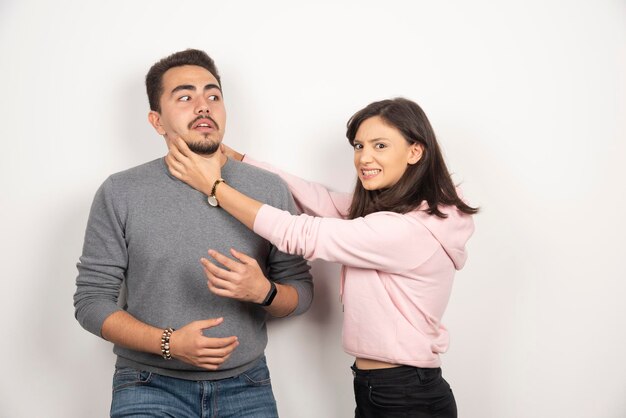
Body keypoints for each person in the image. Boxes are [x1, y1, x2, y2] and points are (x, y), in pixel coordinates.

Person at [165, 97, 478, 418]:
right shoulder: (402, 213)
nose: (364, 158)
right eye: (359, 146)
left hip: (405, 394)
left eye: (380, 146)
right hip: (385, 386)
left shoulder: (405, 231)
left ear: (415, 151)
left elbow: (299, 233)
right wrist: (240, 160)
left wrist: (214, 187)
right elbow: (321, 200)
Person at [73, 49, 313, 417]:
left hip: (247, 385)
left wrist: (263, 291)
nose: (204, 106)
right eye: (185, 97)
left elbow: (302, 293)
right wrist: (168, 343)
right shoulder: (120, 191)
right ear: (157, 121)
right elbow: (91, 302)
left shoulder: (267, 189)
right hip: (148, 383)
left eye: (213, 95)